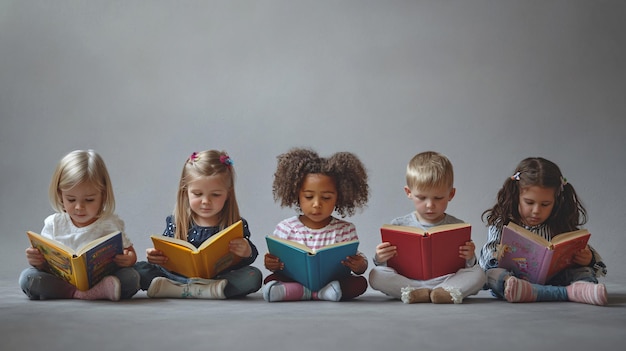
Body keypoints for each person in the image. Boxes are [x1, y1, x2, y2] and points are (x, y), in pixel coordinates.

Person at [479, 157, 608, 305]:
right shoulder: (501, 223)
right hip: (514, 279)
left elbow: (591, 258)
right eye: (529, 202)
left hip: (556, 279)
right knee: (492, 275)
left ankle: (535, 292)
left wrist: (588, 258)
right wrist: (497, 256)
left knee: (585, 272)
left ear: (556, 201)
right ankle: (571, 293)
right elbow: (488, 257)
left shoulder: (560, 225)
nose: (536, 211)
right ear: (516, 196)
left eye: (545, 204)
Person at [134, 150, 262, 299]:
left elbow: (245, 260)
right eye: (197, 194)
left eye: (215, 195)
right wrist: (156, 256)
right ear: (185, 191)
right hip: (176, 277)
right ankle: (203, 291)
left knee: (253, 276)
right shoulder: (176, 222)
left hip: (219, 279)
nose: (206, 201)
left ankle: (181, 290)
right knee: (139, 269)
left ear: (228, 193)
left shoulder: (235, 224)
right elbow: (166, 258)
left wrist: (247, 251)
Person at [19, 150, 140, 301]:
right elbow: (44, 265)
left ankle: (92, 290)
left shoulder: (109, 223)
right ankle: (79, 293)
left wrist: (128, 259)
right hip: (61, 281)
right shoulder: (54, 224)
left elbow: (130, 253)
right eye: (71, 199)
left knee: (131, 277)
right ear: (60, 195)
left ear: (103, 196)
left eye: (89, 200)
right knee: (28, 278)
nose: (79, 207)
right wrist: (36, 261)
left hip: (101, 280)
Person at [369, 151, 486, 304]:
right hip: (408, 281)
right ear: (409, 192)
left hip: (447, 280)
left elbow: (468, 266)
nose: (430, 205)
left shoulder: (457, 226)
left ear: (451, 194)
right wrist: (380, 257)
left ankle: (444, 292)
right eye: (422, 198)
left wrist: (470, 256)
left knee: (479, 274)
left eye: (438, 198)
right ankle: (415, 292)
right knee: (375, 275)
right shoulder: (398, 225)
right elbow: (386, 266)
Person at [263, 148, 370, 302]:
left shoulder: (345, 230)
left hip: (332, 281)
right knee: (270, 279)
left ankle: (301, 292)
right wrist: (270, 263)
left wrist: (360, 265)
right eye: (308, 196)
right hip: (295, 279)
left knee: (359, 283)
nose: (317, 204)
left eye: (326, 198)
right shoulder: (285, 227)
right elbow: (275, 263)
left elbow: (358, 263)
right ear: (296, 194)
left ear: (339, 197)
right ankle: (317, 293)